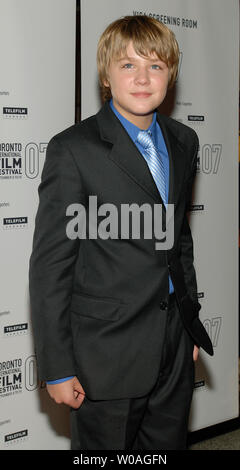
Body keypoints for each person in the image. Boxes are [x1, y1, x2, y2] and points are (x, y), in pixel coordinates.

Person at [29, 15, 213, 450]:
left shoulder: (184, 140)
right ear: (106, 74)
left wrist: (187, 323)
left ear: (171, 73)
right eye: (128, 65)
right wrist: (57, 367)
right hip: (105, 354)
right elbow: (51, 267)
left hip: (173, 348)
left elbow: (177, 239)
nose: (144, 78)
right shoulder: (74, 149)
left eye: (156, 65)